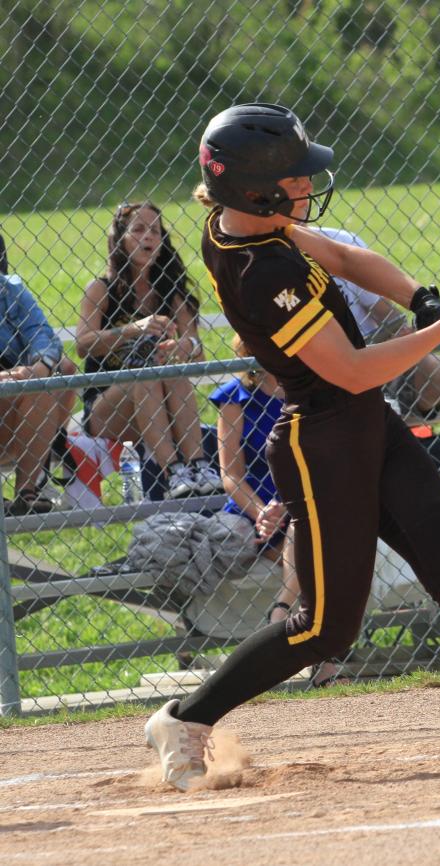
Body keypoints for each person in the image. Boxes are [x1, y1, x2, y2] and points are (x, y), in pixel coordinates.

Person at [143, 103, 440, 791]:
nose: (307, 188)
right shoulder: (261, 274)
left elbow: (343, 256)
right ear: (255, 188)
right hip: (323, 446)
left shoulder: (250, 224)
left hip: (370, 427)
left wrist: (421, 299)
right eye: (292, 179)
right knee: (325, 630)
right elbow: (349, 368)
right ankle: (186, 719)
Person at [308, 226, 440, 513]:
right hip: (323, 370)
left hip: (380, 353)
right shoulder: (270, 252)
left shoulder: (336, 240)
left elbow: (390, 321)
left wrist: (432, 325)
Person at [210, 334, 345, 686]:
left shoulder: (309, 389)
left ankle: (282, 608)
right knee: (315, 554)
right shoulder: (234, 398)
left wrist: (286, 504)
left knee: (308, 526)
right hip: (254, 511)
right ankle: (323, 664)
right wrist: (262, 513)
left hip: (306, 497)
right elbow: (231, 476)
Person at [74, 202, 223, 500]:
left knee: (168, 368)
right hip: (107, 408)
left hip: (163, 405)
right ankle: (174, 473)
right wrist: (133, 329)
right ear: (121, 239)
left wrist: (184, 345)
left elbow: (197, 353)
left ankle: (199, 466)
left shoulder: (171, 291)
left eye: (155, 230)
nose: (149, 237)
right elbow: (82, 344)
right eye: (138, 229)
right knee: (146, 373)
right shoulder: (102, 289)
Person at [0, 269, 77, 515]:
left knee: (58, 371)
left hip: (11, 401)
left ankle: (28, 491)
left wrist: (37, 369)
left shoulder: (9, 289)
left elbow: (43, 335)